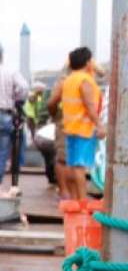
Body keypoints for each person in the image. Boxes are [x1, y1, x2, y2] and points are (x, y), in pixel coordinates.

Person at [48, 47, 105, 201]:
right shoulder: (84, 81)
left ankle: (75, 201)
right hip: (83, 130)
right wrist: (100, 125)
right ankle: (82, 201)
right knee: (80, 167)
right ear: (88, 63)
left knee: (73, 166)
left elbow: (52, 103)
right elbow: (89, 106)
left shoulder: (68, 81)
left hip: (70, 128)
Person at [0, 49, 29, 183]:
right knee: (2, 152)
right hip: (5, 113)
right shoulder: (10, 71)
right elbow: (23, 87)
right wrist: (17, 99)